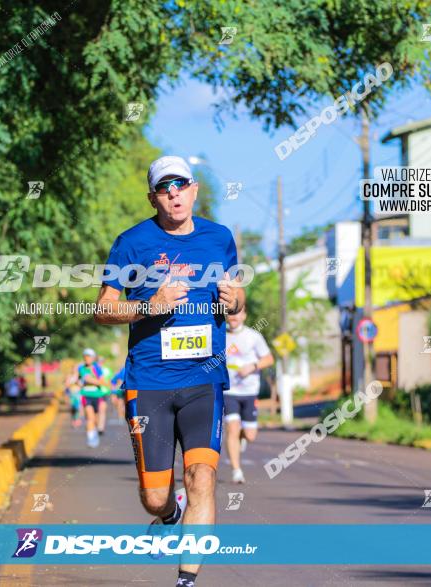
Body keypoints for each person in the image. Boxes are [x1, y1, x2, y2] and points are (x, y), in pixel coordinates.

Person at [95, 155, 244, 587]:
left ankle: (186, 580)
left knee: (202, 478)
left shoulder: (220, 239)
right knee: (154, 496)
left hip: (204, 379)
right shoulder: (131, 243)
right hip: (149, 383)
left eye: (181, 184)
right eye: (164, 187)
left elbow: (237, 306)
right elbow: (102, 310)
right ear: (153, 197)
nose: (174, 193)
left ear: (195, 189)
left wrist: (232, 301)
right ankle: (169, 514)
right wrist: (149, 306)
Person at [223, 307, 273, 484]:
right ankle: (237, 471)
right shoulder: (220, 335)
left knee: (250, 435)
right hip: (229, 391)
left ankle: (242, 437)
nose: (234, 316)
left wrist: (252, 367)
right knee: (232, 428)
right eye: (230, 313)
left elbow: (269, 359)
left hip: (249, 391)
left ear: (244, 315)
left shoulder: (253, 336)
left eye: (237, 313)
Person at [77, 348, 108, 447]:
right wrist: (94, 381)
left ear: (93, 358)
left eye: (89, 356)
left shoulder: (97, 368)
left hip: (98, 396)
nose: (86, 358)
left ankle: (94, 433)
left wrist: (92, 381)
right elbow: (85, 379)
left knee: (96, 419)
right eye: (85, 356)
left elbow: (102, 381)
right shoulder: (81, 368)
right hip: (86, 396)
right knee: (90, 417)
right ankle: (91, 439)